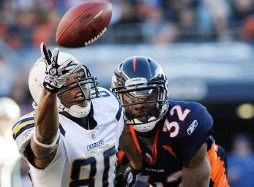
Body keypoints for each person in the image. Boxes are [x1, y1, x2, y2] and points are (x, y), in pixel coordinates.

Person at [12, 43, 125, 187]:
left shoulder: (105, 103)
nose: (79, 89)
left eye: (80, 78)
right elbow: (43, 148)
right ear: (44, 91)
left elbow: (125, 141)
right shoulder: (30, 124)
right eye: (66, 84)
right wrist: (51, 89)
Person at [111, 56, 229, 187]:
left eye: (148, 94)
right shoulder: (113, 127)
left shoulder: (185, 120)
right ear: (119, 97)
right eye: (130, 95)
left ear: (162, 92)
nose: (139, 105)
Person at [0, 97, 22, 187]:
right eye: (2, 118)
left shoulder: (12, 142)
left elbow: (15, 174)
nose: (5, 122)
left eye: (8, 120)